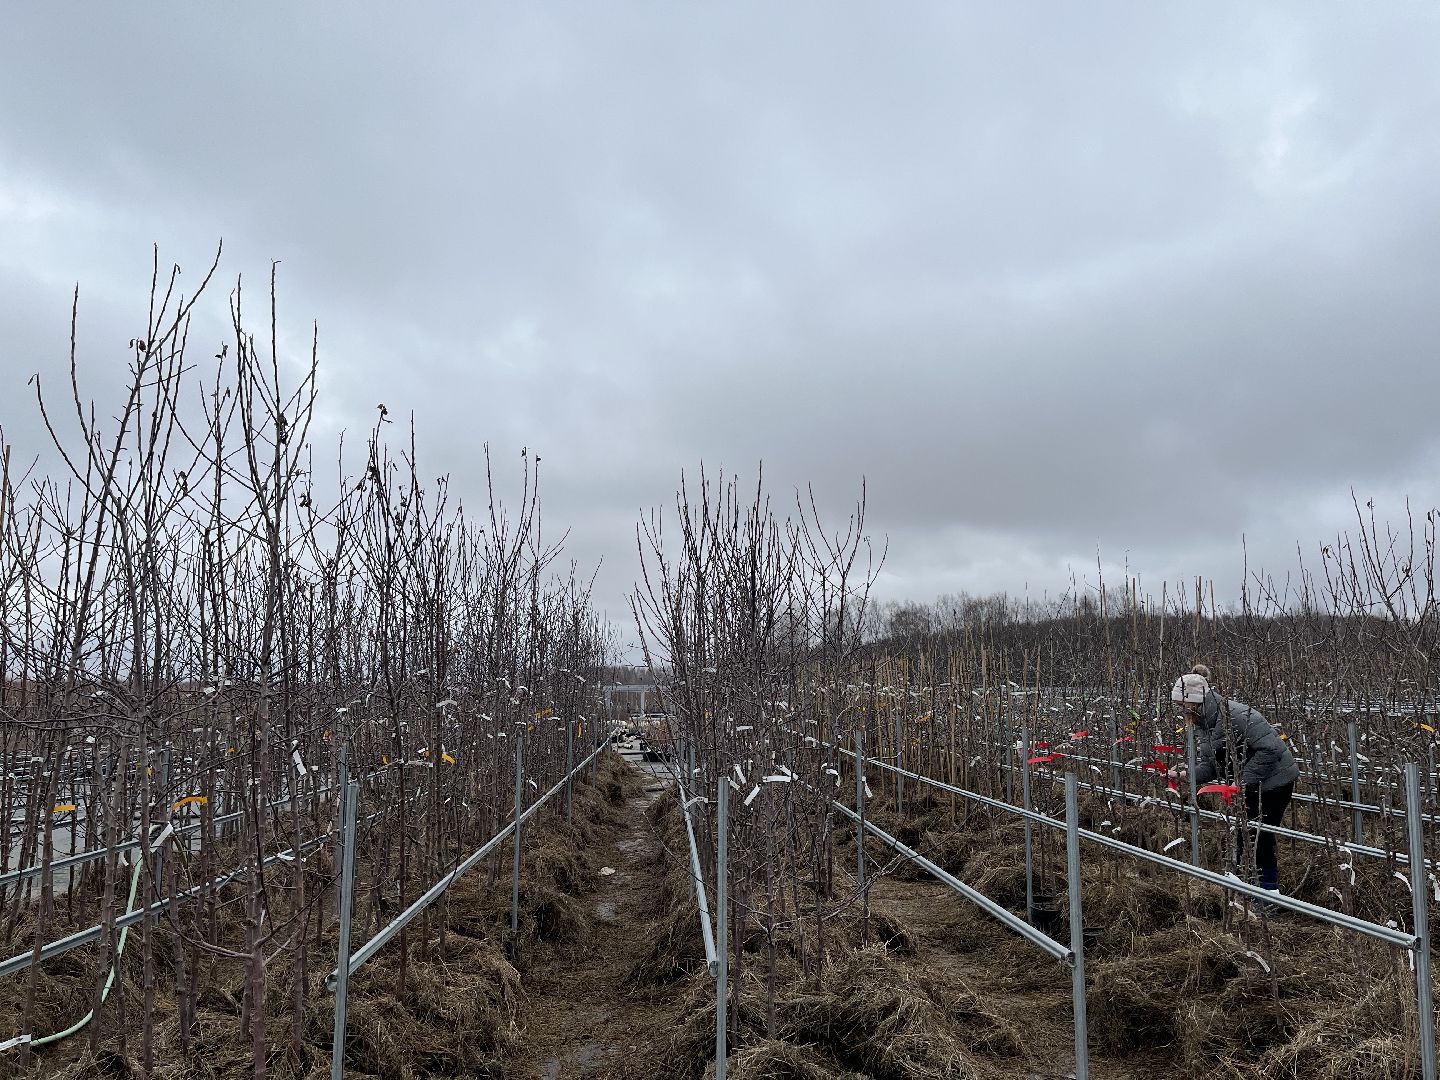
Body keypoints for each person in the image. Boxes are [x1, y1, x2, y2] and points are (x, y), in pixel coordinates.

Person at [1171, 664, 1298, 905]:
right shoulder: (1203, 723)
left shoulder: (1237, 715)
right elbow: (1212, 764)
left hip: (1275, 781)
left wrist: (1240, 783)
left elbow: (1269, 750)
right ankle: (1252, 890)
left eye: (1180, 704)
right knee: (1244, 836)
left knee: (1259, 836)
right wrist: (1188, 774)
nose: (1179, 709)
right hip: (1249, 783)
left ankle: (1269, 896)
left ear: (1195, 701)